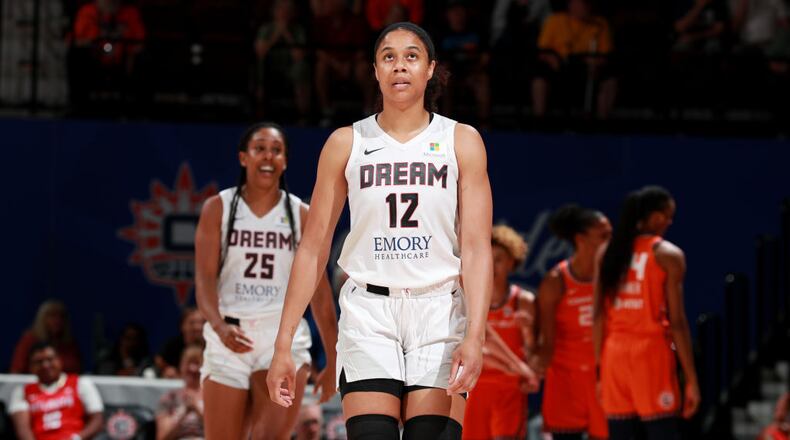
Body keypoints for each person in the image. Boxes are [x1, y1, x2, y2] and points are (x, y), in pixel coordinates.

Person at [267, 21, 494, 440]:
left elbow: (478, 249)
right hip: (370, 311)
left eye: (412, 56)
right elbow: (313, 248)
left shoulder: (461, 140)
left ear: (430, 69)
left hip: (440, 310)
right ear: (375, 69)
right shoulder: (346, 142)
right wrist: (283, 344)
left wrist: (476, 336)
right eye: (388, 56)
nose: (400, 66)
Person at [194, 122, 338, 440]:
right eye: (260, 148)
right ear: (243, 157)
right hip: (230, 334)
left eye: (277, 150)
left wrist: (333, 357)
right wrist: (218, 327)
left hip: (280, 338)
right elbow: (203, 282)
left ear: (285, 161)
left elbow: (321, 294)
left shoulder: (301, 214)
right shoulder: (217, 208)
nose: (268, 157)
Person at [593, 186, 700, 440]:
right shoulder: (667, 254)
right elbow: (677, 322)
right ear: (655, 217)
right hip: (650, 354)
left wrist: (600, 371)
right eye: (668, 215)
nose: (670, 222)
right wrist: (692, 380)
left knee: (621, 433)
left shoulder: (607, 252)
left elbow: (598, 316)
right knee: (662, 432)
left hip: (613, 355)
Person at [529, 205, 611, 440]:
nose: (610, 241)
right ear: (581, 239)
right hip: (566, 381)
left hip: (602, 378)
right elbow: (546, 341)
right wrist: (531, 367)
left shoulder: (611, 277)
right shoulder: (557, 281)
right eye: (603, 235)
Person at [462, 225, 539, 440]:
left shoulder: (522, 300)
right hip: (474, 389)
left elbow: (534, 354)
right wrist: (518, 366)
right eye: (489, 256)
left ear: (512, 261)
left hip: (508, 391)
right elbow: (482, 348)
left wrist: (529, 334)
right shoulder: (469, 299)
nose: (492, 265)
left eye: (499, 258)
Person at [532, 0, 616, 119]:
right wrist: (554, 61)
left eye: (588, 4)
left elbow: (605, 56)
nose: (585, 7)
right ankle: (539, 120)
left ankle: (602, 123)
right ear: (570, 5)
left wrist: (594, 62)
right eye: (582, 3)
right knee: (540, 75)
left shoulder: (600, 24)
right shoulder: (555, 20)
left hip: (585, 66)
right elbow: (543, 50)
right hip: (559, 65)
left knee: (609, 78)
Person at [9, 342, 104, 440]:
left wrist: (77, 438)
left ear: (60, 360)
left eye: (50, 359)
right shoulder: (22, 392)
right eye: (39, 362)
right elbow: (23, 430)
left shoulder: (81, 384)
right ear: (30, 367)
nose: (45, 365)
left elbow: (97, 420)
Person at [11, 300, 82, 374]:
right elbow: (16, 370)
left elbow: (77, 369)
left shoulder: (70, 343)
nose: (57, 320)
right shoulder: (29, 340)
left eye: (62, 316)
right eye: (52, 315)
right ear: (42, 318)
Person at [156, 345, 205, 440]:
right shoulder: (169, 398)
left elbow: (222, 433)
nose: (193, 368)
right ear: (181, 366)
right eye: (189, 363)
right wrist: (185, 413)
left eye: (197, 363)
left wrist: (197, 410)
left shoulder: (213, 397)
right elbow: (162, 437)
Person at [156, 307, 206, 378]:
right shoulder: (172, 346)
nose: (198, 327)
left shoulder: (214, 347)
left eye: (202, 322)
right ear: (182, 325)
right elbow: (159, 361)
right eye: (192, 323)